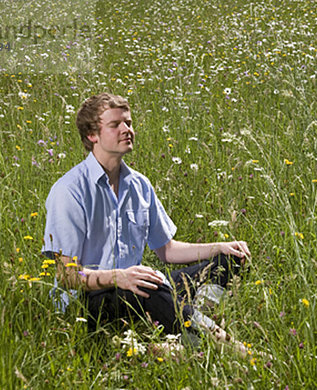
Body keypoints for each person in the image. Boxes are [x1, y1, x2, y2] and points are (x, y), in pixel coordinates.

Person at [41, 93, 252, 356]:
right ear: (92, 135)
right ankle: (225, 347)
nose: (127, 130)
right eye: (115, 125)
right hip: (89, 302)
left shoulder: (139, 185)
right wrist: (119, 277)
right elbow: (65, 275)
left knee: (230, 260)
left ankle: (187, 331)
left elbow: (167, 250)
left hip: (135, 288)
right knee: (147, 285)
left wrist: (220, 246)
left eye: (128, 123)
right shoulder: (70, 190)